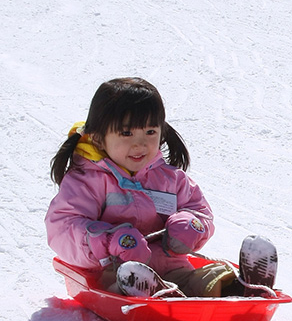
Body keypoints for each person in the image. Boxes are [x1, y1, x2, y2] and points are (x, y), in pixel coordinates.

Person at [46, 77, 278, 299]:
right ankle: (149, 291)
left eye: (150, 132)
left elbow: (200, 211)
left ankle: (239, 287)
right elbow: (63, 228)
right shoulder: (87, 180)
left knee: (200, 279)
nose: (140, 143)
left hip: (173, 268)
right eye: (126, 133)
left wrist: (191, 226)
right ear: (98, 138)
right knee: (126, 279)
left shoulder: (171, 179)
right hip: (112, 272)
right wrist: (109, 241)